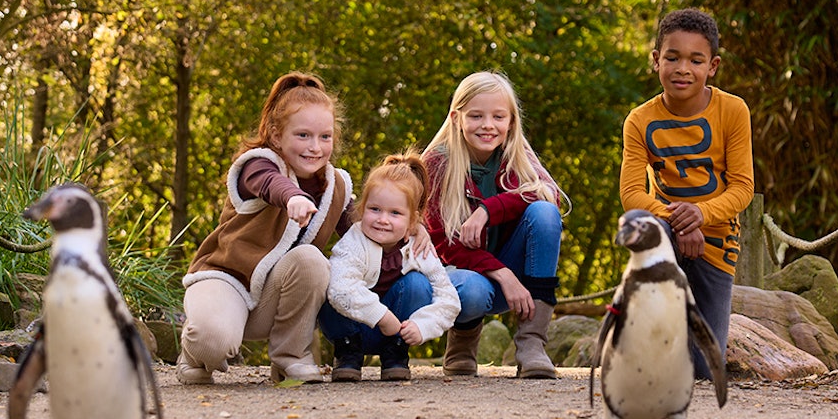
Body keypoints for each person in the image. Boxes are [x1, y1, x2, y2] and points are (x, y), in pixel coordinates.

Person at [179, 71, 353, 385]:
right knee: (212, 343)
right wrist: (293, 197)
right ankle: (193, 354)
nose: (315, 147)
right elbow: (269, 183)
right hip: (226, 281)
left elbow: (366, 231)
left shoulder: (335, 185)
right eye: (303, 135)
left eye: (325, 137)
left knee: (313, 260)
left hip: (272, 301)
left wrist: (411, 231)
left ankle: (290, 356)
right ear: (275, 135)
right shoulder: (256, 164)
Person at [619, 7, 755, 379]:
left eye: (696, 60)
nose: (683, 69)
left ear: (713, 66)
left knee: (705, 371)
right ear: (656, 61)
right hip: (666, 234)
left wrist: (701, 215)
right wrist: (680, 220)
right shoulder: (640, 120)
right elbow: (631, 194)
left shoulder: (732, 110)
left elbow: (743, 187)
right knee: (639, 223)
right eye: (672, 58)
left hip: (716, 245)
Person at [423, 71, 567, 379]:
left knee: (544, 212)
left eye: (498, 117)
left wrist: (488, 210)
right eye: (476, 116)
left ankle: (532, 343)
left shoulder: (515, 154)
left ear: (511, 122)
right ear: (457, 118)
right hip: (464, 280)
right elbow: (444, 246)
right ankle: (462, 343)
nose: (488, 125)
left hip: (518, 281)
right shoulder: (435, 164)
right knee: (472, 290)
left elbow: (550, 195)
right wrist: (503, 274)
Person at [322, 152, 460, 382]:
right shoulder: (354, 241)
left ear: (412, 221)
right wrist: (383, 317)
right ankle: (348, 355)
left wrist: (422, 325)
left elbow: (449, 299)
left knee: (418, 283)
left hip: (398, 331)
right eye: (374, 209)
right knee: (329, 281)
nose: (383, 219)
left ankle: (395, 354)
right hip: (353, 327)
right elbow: (340, 290)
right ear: (362, 209)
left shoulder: (418, 247)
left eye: (395, 213)